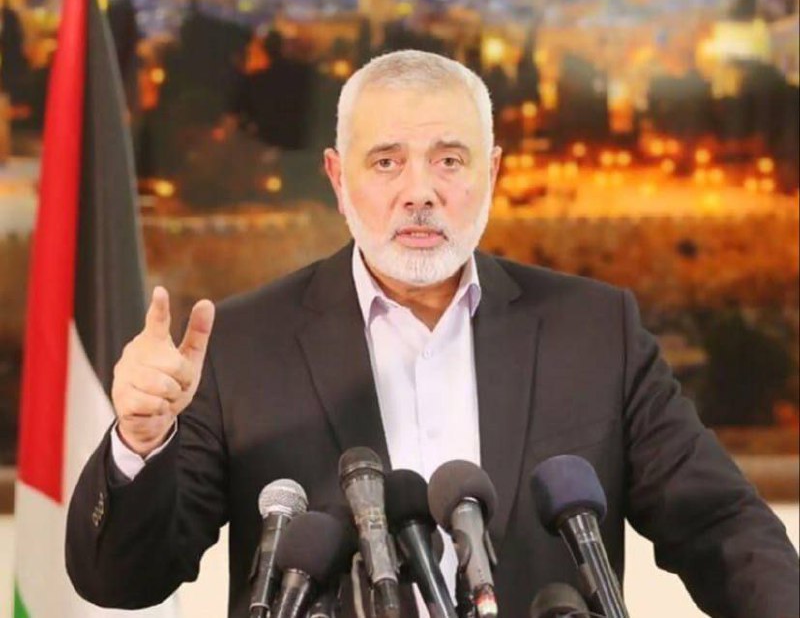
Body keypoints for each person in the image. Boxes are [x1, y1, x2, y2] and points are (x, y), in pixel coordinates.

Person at [66, 50, 799, 618]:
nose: (419, 191)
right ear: (338, 179)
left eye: (449, 160)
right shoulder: (244, 346)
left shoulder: (595, 330)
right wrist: (138, 441)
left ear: (492, 172)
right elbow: (120, 580)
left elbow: (723, 528)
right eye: (386, 162)